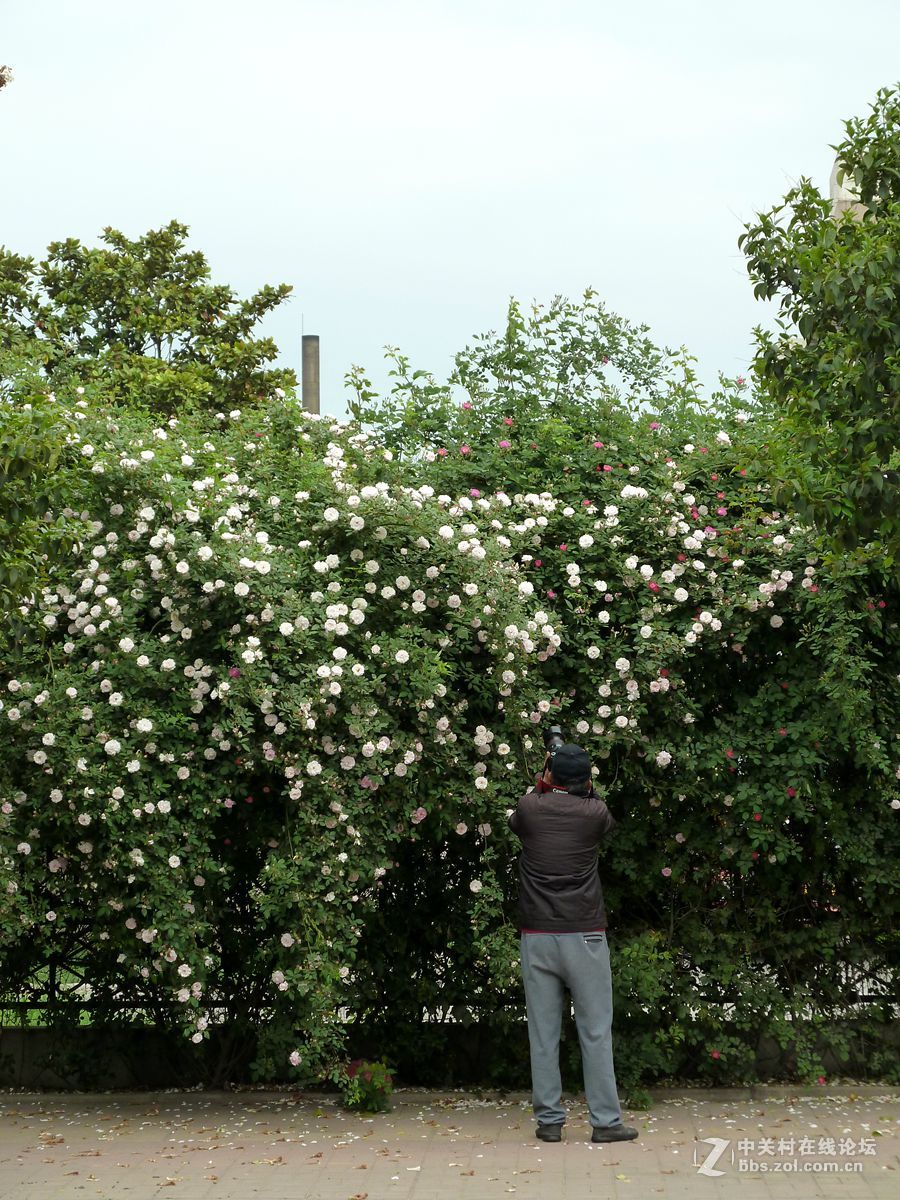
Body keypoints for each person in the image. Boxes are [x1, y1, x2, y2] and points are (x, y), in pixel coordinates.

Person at [507, 742, 638, 1144]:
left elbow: (523, 811)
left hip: (538, 935)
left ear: (550, 774)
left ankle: (549, 1122)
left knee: (543, 1033)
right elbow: (597, 807)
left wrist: (544, 783)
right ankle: (605, 1122)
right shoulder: (595, 813)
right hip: (584, 934)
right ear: (586, 779)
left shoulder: (530, 809)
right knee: (595, 1030)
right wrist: (581, 787)